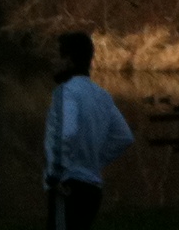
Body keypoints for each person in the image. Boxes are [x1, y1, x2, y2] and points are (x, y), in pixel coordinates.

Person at [43, 30, 134, 230]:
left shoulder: (65, 93)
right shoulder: (101, 95)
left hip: (67, 187)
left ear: (69, 60)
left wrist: (55, 176)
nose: (53, 62)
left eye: (58, 56)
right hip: (92, 189)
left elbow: (66, 134)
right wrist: (94, 160)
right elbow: (124, 136)